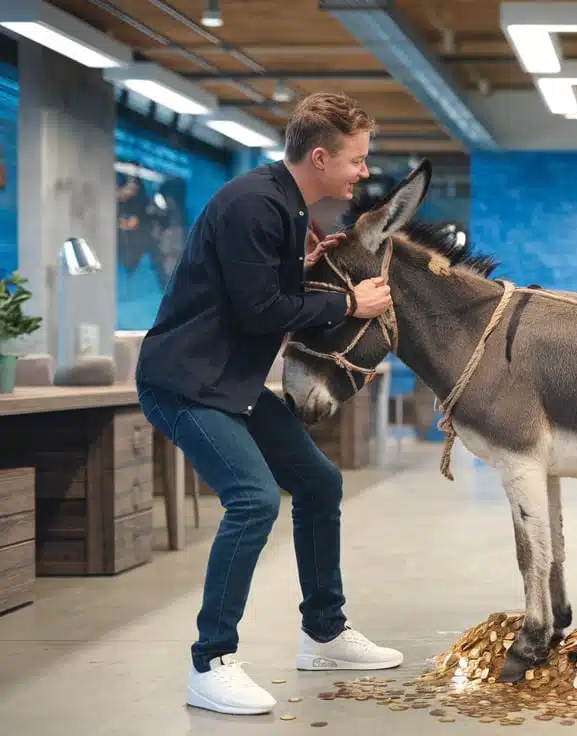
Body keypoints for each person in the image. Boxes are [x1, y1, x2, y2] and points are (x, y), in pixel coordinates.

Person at [136, 92, 399, 716]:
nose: (363, 171)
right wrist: (347, 305)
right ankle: (211, 662)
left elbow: (252, 292)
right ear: (318, 156)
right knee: (252, 500)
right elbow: (260, 314)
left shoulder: (281, 204)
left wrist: (297, 265)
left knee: (318, 483)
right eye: (356, 160)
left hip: (232, 383)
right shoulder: (256, 203)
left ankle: (324, 633)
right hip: (186, 385)